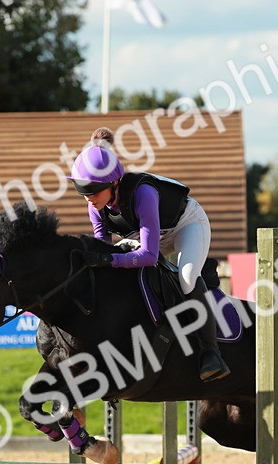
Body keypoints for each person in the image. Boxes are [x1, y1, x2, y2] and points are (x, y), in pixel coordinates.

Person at [66, 127, 230, 382]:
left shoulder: (143, 193)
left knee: (186, 277)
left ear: (114, 183)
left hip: (186, 225)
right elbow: (103, 246)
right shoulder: (96, 205)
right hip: (146, 234)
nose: (89, 199)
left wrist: (110, 259)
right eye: (83, 192)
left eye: (94, 192)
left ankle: (211, 352)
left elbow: (149, 256)